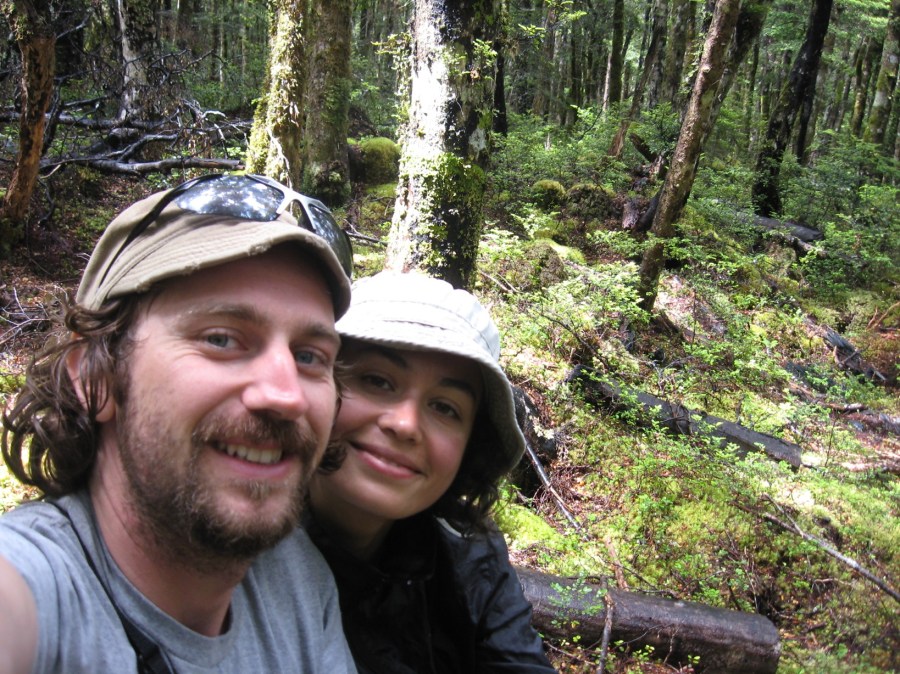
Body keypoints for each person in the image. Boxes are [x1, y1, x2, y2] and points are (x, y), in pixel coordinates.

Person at [0, 173, 359, 673]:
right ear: (96, 378)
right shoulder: (32, 584)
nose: (285, 395)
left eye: (309, 356)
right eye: (220, 339)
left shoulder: (298, 582)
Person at [306, 271, 556, 674]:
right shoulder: (235, 543)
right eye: (377, 381)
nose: (405, 425)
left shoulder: (469, 555)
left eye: (444, 408)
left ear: (470, 445)